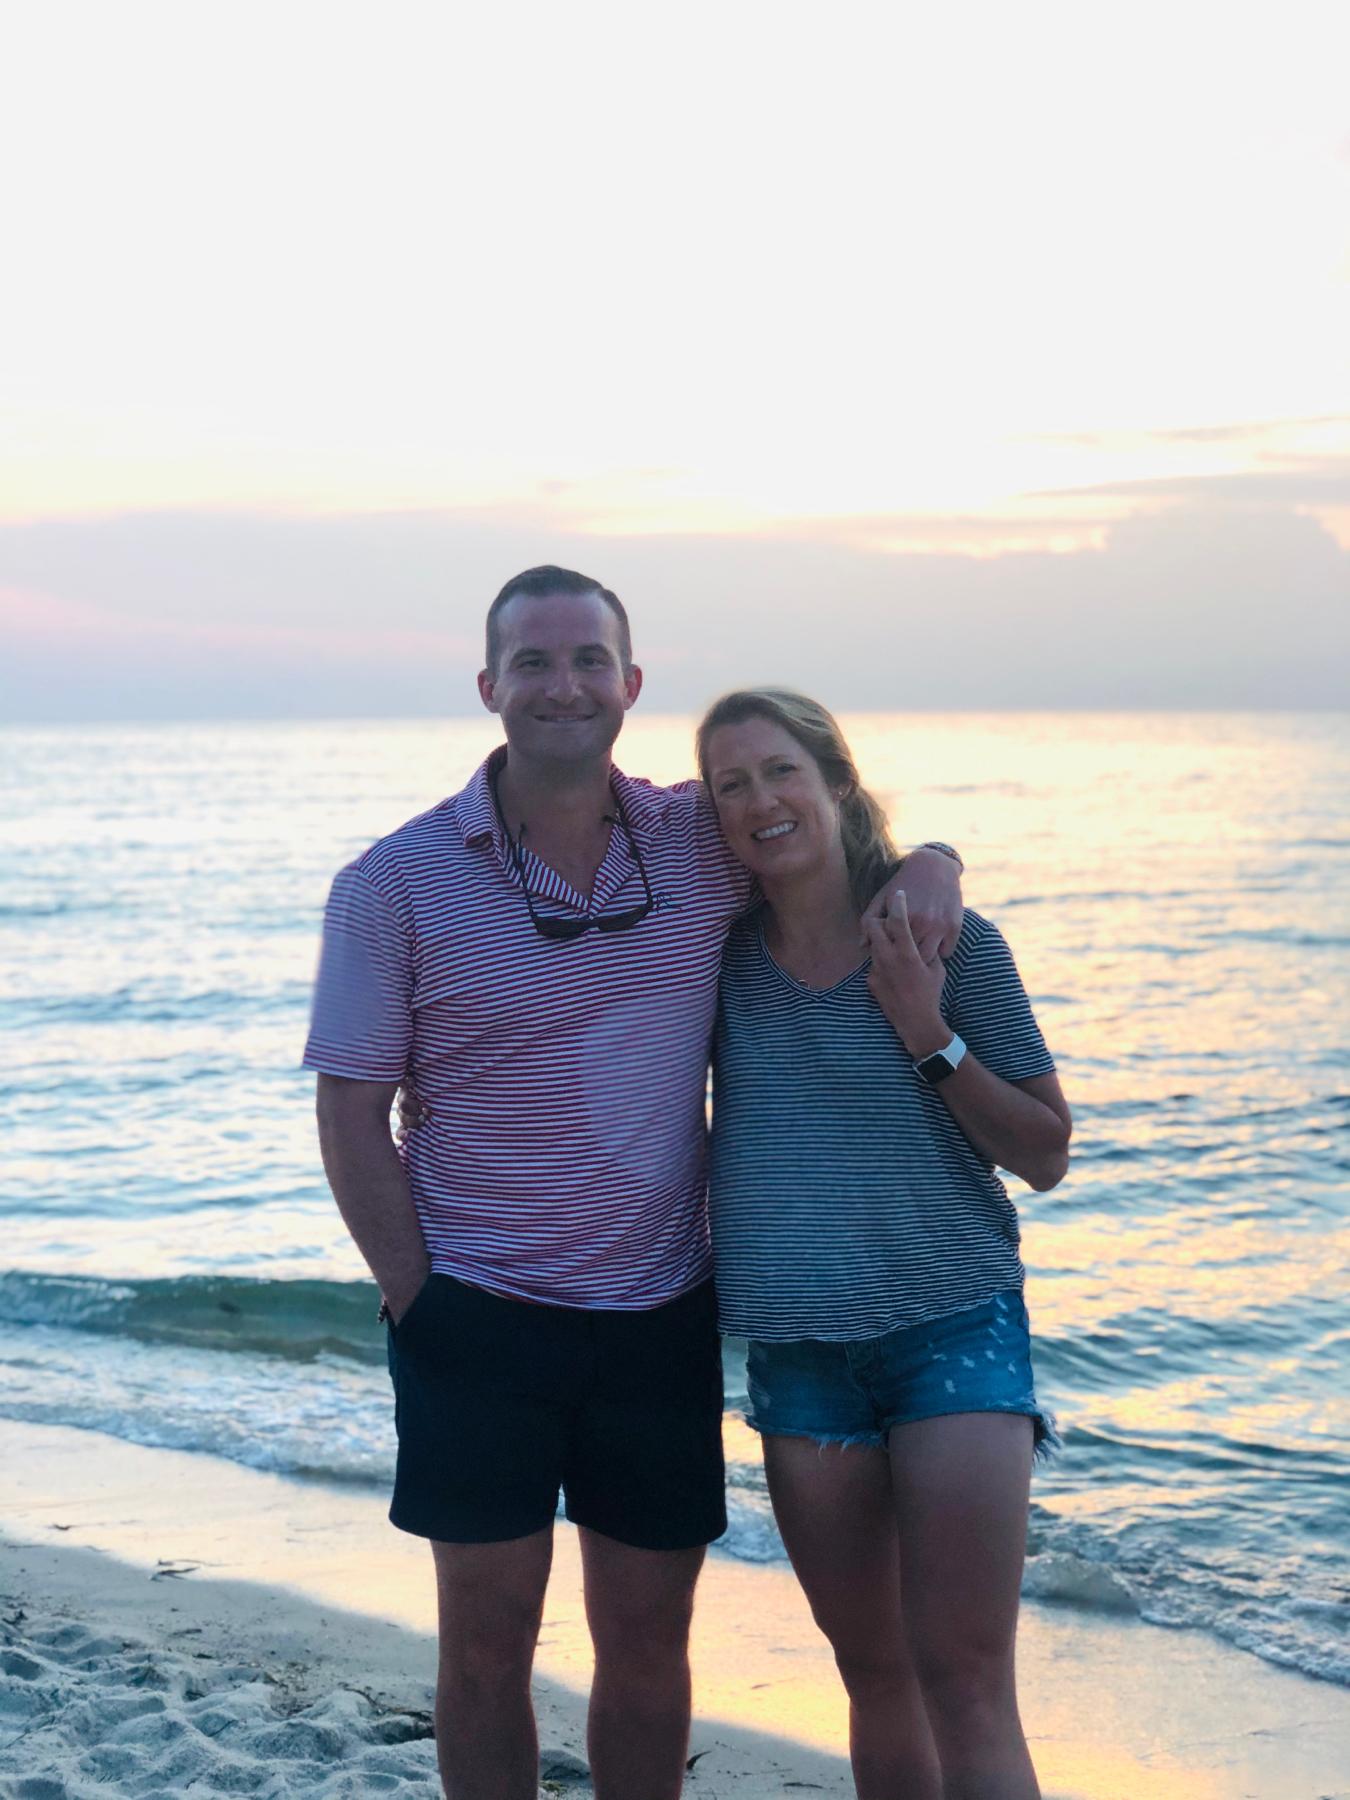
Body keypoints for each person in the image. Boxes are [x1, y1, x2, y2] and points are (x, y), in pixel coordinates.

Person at [302, 567, 965, 1800]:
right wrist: (422, 1303)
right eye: (534, 662)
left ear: (630, 683)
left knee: (651, 1643)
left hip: (660, 1317)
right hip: (478, 1315)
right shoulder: (392, 883)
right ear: (490, 686)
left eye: (588, 660)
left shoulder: (695, 841)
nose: (564, 686)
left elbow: (824, 835)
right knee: (487, 1645)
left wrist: (935, 858)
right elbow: (350, 1112)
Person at [697, 688, 1071, 1800]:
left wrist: (926, 1027)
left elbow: (1046, 1153)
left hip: (952, 1328)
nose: (760, 799)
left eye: (781, 771)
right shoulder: (713, 964)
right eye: (730, 784)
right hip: (799, 1356)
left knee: (966, 1679)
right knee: (874, 1676)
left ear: (836, 783)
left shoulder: (949, 942)